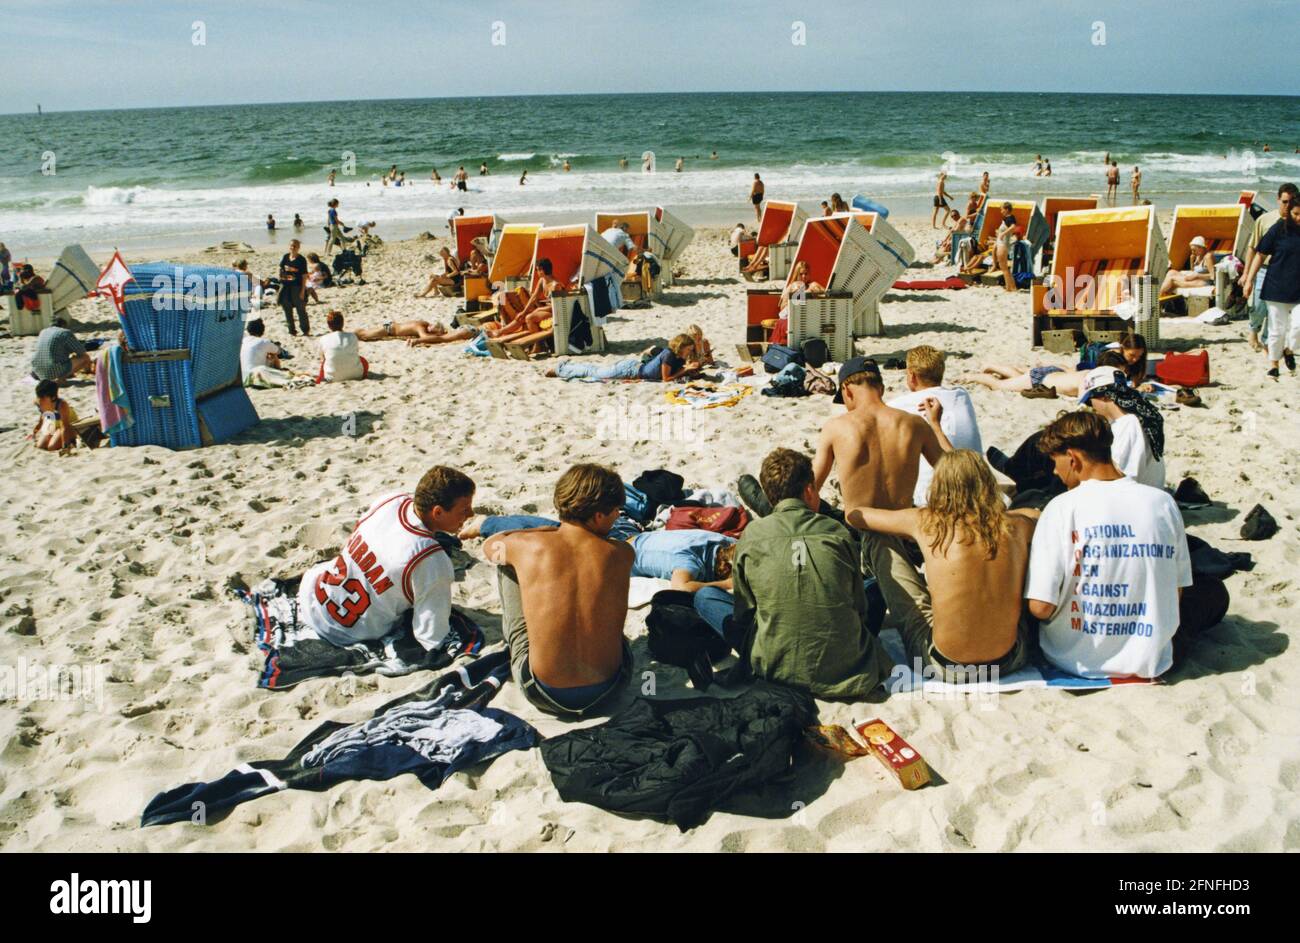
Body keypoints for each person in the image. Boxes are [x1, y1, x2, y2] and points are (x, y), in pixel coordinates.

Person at [1024, 411, 1227, 679]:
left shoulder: (1061, 508)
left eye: (1055, 462)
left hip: (1072, 657)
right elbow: (1175, 595)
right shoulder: (1163, 503)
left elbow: (1041, 608)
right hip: (1148, 657)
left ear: (1073, 458)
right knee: (1212, 591)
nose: (1054, 471)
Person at [846, 450, 1039, 682]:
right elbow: (1035, 513)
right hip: (1008, 661)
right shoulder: (1018, 525)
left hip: (943, 666)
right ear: (986, 483)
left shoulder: (925, 521)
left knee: (877, 539)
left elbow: (855, 517)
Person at [731, 448, 890, 698]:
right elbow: (859, 607)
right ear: (808, 490)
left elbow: (742, 610)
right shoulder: (836, 531)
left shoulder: (751, 535)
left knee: (706, 599)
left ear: (770, 498)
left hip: (774, 669)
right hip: (846, 671)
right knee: (876, 588)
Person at [483, 464, 634, 717]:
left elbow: (489, 546)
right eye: (616, 511)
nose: (617, 516)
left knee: (507, 564)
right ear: (598, 516)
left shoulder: (527, 546)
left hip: (543, 693)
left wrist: (539, 533)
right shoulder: (622, 553)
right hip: (611, 690)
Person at [298, 466, 475, 652]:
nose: (470, 515)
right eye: (464, 510)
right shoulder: (431, 560)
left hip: (312, 595)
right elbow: (431, 636)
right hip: (350, 632)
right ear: (437, 512)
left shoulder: (389, 501)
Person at [886, 345, 983, 507]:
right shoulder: (961, 395)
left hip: (930, 497)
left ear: (912, 376)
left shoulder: (897, 405)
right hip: (975, 488)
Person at [1076, 366, 1165, 488]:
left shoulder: (1129, 425)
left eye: (1089, 400)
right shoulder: (1136, 418)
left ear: (1105, 396)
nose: (1091, 406)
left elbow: (1123, 477)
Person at [1242, 192, 1300, 377]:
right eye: (1296, 214)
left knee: (1298, 326)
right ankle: (1274, 365)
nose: (1299, 218)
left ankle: (1289, 350)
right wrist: (1249, 279)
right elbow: (1260, 254)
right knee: (1277, 329)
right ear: (1289, 212)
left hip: (1298, 289)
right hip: (1276, 286)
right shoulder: (1278, 229)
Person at [546, 332, 701, 382]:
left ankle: (565, 367)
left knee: (595, 370)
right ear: (680, 348)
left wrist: (689, 370)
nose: (689, 352)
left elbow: (676, 372)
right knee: (593, 372)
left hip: (634, 368)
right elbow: (666, 378)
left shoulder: (678, 357)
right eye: (688, 349)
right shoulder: (669, 355)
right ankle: (560, 369)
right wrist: (685, 370)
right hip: (630, 370)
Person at [317, 310, 369, 382]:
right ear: (342, 323)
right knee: (362, 360)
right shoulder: (352, 336)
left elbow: (323, 359)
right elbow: (356, 352)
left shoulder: (323, 339)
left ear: (329, 326)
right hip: (357, 375)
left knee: (325, 361)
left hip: (332, 378)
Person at [31, 378, 80, 451]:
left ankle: (71, 441)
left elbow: (65, 426)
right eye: (38, 396)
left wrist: (65, 446)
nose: (39, 399)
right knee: (40, 446)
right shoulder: (39, 402)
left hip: (69, 427)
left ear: (53, 397)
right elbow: (43, 415)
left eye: (42, 397)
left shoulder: (61, 405)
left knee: (52, 447)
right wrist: (36, 429)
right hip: (54, 426)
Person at [277, 239, 310, 335]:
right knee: (287, 308)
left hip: (297, 286)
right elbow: (280, 268)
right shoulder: (286, 256)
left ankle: (305, 330)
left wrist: (303, 291)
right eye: (291, 245)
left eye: (295, 246)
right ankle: (291, 330)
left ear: (298, 247)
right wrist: (280, 275)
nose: (292, 248)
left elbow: (304, 276)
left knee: (301, 309)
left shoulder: (301, 260)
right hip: (285, 286)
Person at [239, 318, 285, 385]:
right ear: (262, 330)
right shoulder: (264, 342)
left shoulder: (244, 340)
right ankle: (279, 370)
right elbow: (278, 351)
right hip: (255, 374)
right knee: (272, 354)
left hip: (242, 376)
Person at [355, 319, 462, 343]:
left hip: (389, 327)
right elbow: (424, 337)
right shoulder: (421, 327)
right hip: (388, 330)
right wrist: (440, 337)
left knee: (363, 333)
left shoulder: (424, 324)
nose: (433, 331)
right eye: (436, 330)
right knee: (363, 335)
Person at [992, 201, 1020, 292]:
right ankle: (1012, 287)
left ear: (1007, 209)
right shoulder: (1008, 218)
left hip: (1003, 245)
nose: (1001, 211)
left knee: (1004, 268)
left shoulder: (1010, 218)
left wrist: (1003, 234)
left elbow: (1013, 227)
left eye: (1002, 209)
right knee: (1005, 268)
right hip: (1002, 244)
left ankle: (1009, 288)